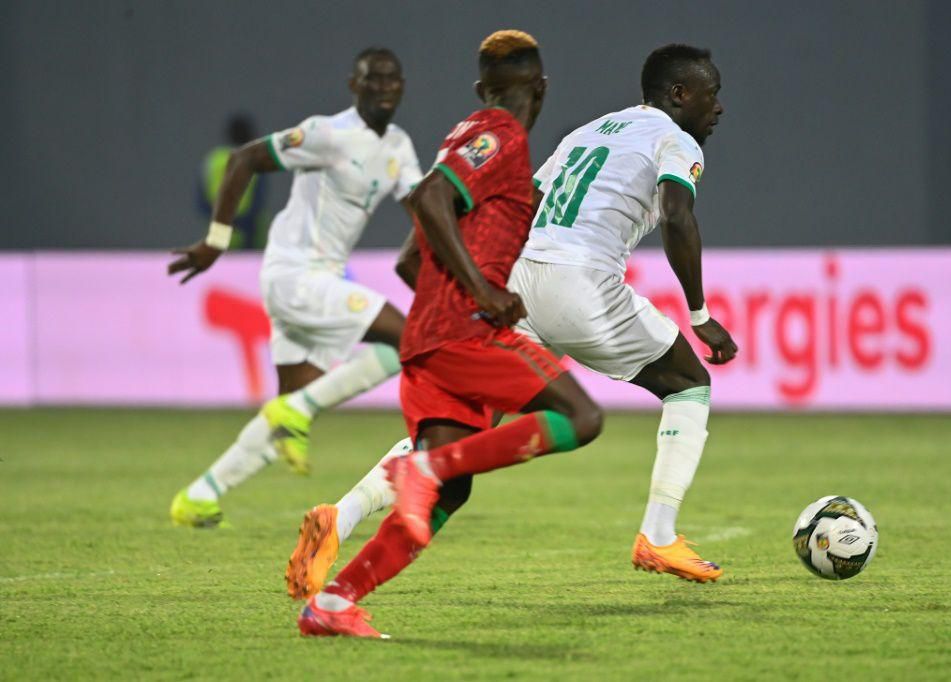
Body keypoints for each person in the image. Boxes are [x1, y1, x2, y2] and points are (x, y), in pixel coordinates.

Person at [283, 44, 739, 612]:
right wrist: (700, 316)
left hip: (522, 278)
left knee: (465, 430)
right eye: (712, 93)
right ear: (678, 94)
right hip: (583, 283)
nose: (719, 107)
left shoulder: (587, 132)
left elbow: (532, 199)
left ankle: (341, 513)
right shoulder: (678, 140)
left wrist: (489, 284)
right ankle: (660, 533)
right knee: (688, 384)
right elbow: (677, 214)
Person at [285, 29, 604, 639]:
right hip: (465, 332)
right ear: (541, 87)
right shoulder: (502, 136)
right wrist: (480, 294)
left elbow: (412, 257)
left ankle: (332, 604)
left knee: (448, 497)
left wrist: (442, 300)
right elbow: (428, 198)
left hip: (430, 340)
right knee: (582, 418)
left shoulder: (467, 142)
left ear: (484, 87)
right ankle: (423, 470)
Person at [167, 47, 423, 528]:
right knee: (409, 339)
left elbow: (422, 207)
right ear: (354, 84)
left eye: (393, 79)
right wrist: (216, 241)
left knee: (284, 412)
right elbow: (244, 159)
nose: (384, 86)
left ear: (402, 86)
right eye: (373, 79)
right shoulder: (328, 133)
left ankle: (200, 495)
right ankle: (299, 408)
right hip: (295, 275)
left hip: (320, 282)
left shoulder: (398, 147)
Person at [197, 114, 269, 249]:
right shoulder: (254, 159)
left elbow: (201, 201)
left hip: (217, 232)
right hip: (249, 232)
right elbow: (259, 200)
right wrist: (241, 223)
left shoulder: (213, 160)